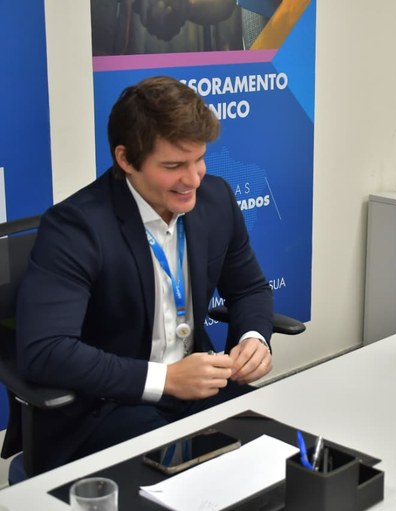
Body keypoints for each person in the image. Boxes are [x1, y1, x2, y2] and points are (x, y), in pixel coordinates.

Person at [13, 75, 274, 472]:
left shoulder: (216, 199)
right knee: (193, 481)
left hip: (197, 390)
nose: (193, 179)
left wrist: (253, 339)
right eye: (174, 166)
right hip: (106, 407)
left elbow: (250, 288)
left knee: (274, 455)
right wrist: (165, 379)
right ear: (126, 160)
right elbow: (46, 351)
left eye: (199, 159)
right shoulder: (75, 227)